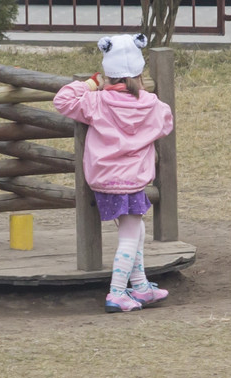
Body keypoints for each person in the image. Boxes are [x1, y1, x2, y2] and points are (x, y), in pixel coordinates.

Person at [54, 33, 173, 313]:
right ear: (140, 73)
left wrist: (89, 83)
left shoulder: (96, 103)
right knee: (131, 233)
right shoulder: (154, 106)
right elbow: (165, 124)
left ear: (108, 75)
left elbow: (62, 100)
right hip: (133, 179)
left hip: (105, 178)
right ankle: (117, 292)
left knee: (135, 229)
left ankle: (140, 285)